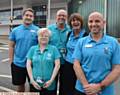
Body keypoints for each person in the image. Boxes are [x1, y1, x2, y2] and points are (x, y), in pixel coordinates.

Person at [73, 11, 120, 95]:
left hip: (105, 91)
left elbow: (117, 68)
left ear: (103, 23)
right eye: (90, 21)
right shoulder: (81, 42)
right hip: (83, 90)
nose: (94, 24)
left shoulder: (113, 42)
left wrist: (99, 87)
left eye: (97, 21)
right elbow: (76, 65)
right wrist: (87, 87)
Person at [9, 8, 39, 92]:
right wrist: (11, 61)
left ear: (33, 18)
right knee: (20, 86)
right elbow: (11, 46)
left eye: (31, 16)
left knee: (33, 86)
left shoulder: (37, 30)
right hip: (18, 64)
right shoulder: (15, 30)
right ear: (23, 16)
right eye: (27, 15)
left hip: (33, 64)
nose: (28, 17)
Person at [26, 28, 60, 95]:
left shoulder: (54, 49)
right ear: (38, 37)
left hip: (50, 84)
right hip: (35, 83)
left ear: (49, 38)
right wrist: (32, 80)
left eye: (46, 36)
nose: (43, 37)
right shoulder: (32, 49)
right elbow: (28, 65)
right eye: (41, 35)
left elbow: (57, 65)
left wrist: (51, 81)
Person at [61, 13, 88, 95]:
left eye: (77, 20)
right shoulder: (69, 34)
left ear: (81, 22)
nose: (75, 22)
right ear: (70, 23)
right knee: (66, 88)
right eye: (73, 20)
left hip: (80, 66)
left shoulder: (86, 36)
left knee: (77, 89)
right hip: (67, 65)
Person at [47, 9, 70, 95]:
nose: (61, 17)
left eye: (63, 15)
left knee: (64, 85)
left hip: (65, 62)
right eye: (59, 15)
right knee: (52, 84)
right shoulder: (49, 29)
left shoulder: (70, 29)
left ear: (66, 17)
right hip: (52, 63)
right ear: (56, 17)